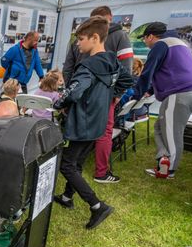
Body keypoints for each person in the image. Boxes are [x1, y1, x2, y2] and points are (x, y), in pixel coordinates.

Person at [53, 16, 133, 230]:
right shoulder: (112, 60)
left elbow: (74, 92)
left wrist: (59, 102)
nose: (77, 44)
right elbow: (127, 80)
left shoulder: (87, 66)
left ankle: (97, 206)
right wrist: (108, 97)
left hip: (84, 122)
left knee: (66, 165)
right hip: (98, 122)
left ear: (95, 38)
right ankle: (67, 197)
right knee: (77, 162)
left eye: (81, 39)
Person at [63, 6, 134, 184]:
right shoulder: (118, 37)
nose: (79, 43)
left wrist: (67, 94)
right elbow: (126, 71)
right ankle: (96, 173)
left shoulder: (114, 36)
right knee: (100, 132)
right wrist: (113, 93)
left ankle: (91, 173)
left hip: (85, 95)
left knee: (87, 133)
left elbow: (68, 69)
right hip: (98, 97)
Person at [135, 22, 192, 179]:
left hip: (180, 93)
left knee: (172, 133)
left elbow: (147, 73)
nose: (144, 42)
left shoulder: (160, 45)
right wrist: (150, 91)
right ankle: (164, 158)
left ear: (150, 36)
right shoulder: (179, 43)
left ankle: (168, 171)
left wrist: (136, 95)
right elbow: (170, 69)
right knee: (159, 127)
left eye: (144, 38)